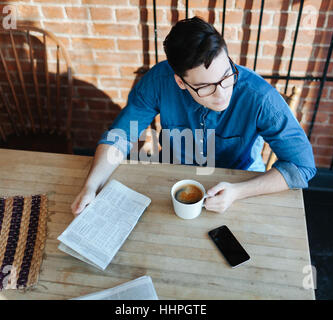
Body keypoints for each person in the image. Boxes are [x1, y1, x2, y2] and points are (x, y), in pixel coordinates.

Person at [71, 16, 316, 216]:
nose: (222, 94)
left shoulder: (260, 96)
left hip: (241, 181)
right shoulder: (158, 81)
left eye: (226, 76)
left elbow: (302, 166)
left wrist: (237, 192)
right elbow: (121, 136)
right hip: (176, 174)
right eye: (206, 86)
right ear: (180, 81)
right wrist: (91, 185)